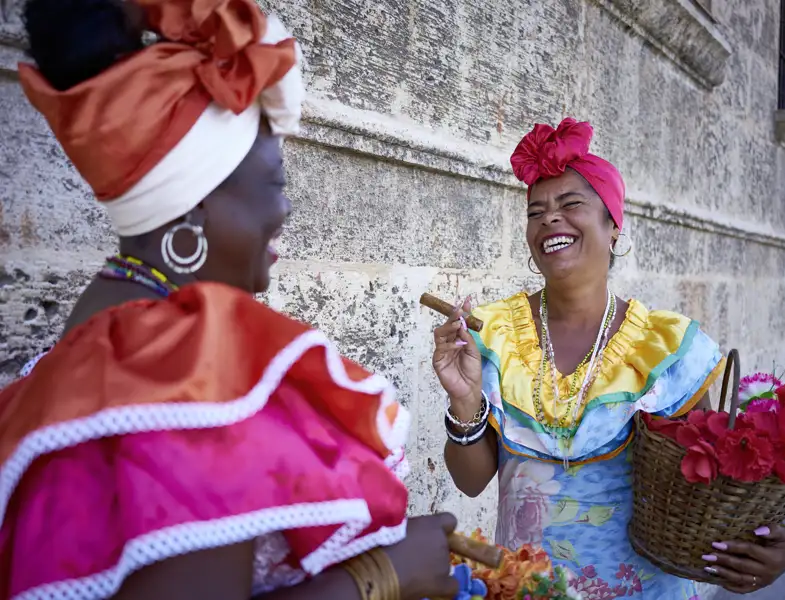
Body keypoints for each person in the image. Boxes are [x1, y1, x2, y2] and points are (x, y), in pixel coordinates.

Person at [0, 1, 460, 599]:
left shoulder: (90, 351)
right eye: (273, 185)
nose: (284, 211)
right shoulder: (182, 378)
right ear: (192, 211)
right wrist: (383, 576)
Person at [431, 117, 785, 598]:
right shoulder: (494, 334)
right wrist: (463, 401)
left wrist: (776, 544)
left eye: (571, 204)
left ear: (613, 227)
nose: (549, 219)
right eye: (535, 211)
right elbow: (472, 481)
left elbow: (713, 488)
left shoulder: (664, 348)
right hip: (525, 588)